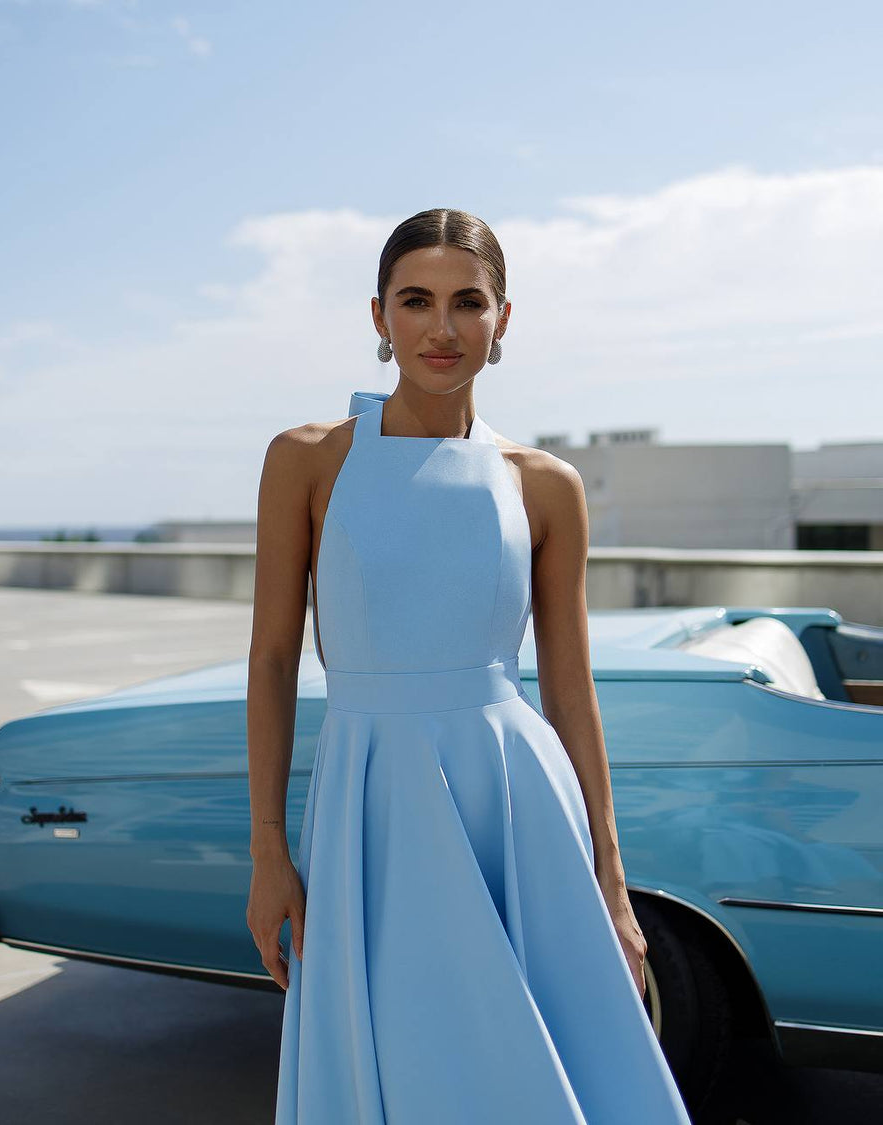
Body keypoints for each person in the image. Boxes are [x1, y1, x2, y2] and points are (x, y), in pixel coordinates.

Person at [246, 208, 693, 1123]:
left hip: (514, 800)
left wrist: (610, 877)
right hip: (368, 797)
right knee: (401, 1056)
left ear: (503, 320)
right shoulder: (306, 462)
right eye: (416, 301)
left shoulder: (544, 483)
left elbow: (570, 686)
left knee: (525, 1064)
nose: (441, 329)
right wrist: (268, 853)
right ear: (378, 317)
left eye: (467, 303)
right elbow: (273, 658)